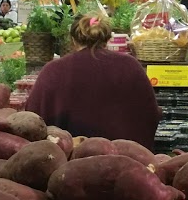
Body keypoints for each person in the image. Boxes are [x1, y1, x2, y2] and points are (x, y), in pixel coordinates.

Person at [26, 12, 161, 147]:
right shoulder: (131, 66)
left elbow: (32, 119)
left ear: (72, 40)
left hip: (68, 161)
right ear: (108, 38)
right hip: (126, 159)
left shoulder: (53, 70)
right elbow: (151, 115)